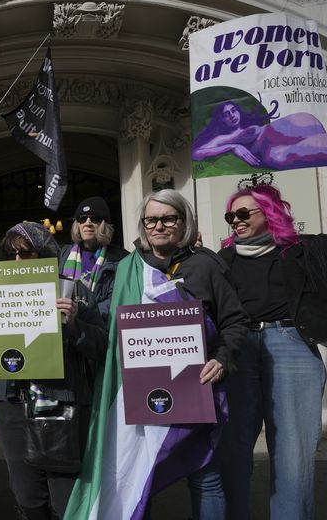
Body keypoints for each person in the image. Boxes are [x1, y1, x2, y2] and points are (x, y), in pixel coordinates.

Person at [218, 157, 327, 520]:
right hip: (237, 351)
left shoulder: (306, 250)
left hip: (290, 346)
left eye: (245, 213)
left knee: (293, 453)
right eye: (231, 217)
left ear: (269, 211)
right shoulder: (220, 261)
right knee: (230, 450)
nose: (237, 221)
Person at [93, 189, 248, 520]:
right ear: (142, 224)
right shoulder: (126, 269)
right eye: (151, 219)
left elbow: (234, 321)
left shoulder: (206, 265)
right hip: (138, 394)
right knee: (136, 477)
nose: (159, 226)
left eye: (168, 218)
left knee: (205, 476)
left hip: (196, 389)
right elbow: (106, 324)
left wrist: (222, 359)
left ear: (184, 222)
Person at [0, 221, 107, 520]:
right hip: (11, 402)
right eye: (10, 253)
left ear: (43, 253)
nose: (16, 260)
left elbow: (102, 345)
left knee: (65, 496)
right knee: (27, 495)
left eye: (24, 252)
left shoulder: (74, 289)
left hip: (62, 400)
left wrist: (74, 325)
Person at [192, 100, 327, 170]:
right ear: (221, 120)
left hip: (281, 131)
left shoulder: (251, 124)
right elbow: (197, 153)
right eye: (225, 114)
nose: (231, 115)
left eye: (233, 110)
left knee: (317, 134)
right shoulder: (222, 138)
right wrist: (233, 145)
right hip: (273, 150)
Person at [59, 197, 128, 322]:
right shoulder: (62, 254)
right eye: (82, 219)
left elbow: (117, 301)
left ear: (104, 224)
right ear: (77, 224)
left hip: (100, 329)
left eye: (94, 219)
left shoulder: (121, 259)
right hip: (65, 327)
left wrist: (81, 313)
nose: (87, 223)